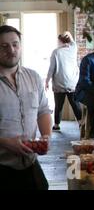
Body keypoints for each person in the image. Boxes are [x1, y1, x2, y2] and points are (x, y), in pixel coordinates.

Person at [0, 25, 52, 190]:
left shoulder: (33, 77)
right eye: (4, 46)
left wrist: (46, 136)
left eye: (15, 44)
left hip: (30, 163)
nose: (11, 50)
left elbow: (43, 111)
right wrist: (5, 143)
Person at [45, 31, 81, 131]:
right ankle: (81, 123)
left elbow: (51, 68)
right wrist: (67, 33)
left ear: (60, 41)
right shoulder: (73, 48)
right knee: (75, 104)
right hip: (72, 83)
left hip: (59, 84)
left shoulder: (56, 52)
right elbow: (71, 37)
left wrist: (47, 81)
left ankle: (56, 125)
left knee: (58, 105)